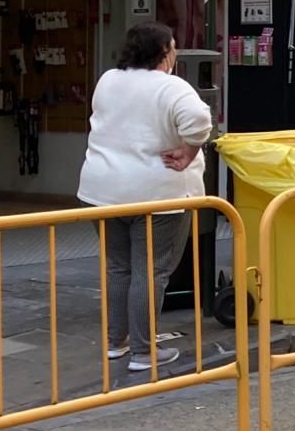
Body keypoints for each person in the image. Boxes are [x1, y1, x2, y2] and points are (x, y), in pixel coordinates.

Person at [77, 22, 214, 373]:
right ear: (164, 51)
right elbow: (199, 120)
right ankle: (142, 352)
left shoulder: (108, 80)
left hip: (101, 190)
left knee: (118, 267)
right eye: (174, 47)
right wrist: (188, 150)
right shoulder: (171, 87)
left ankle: (115, 343)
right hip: (157, 194)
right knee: (150, 272)